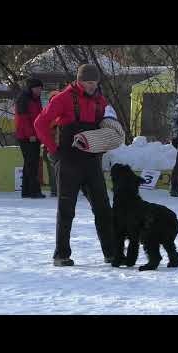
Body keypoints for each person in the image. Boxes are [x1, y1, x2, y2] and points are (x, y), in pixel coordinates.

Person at [34, 64, 123, 267]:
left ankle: (111, 253)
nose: (92, 86)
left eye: (95, 83)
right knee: (66, 210)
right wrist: (53, 151)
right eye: (89, 82)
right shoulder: (63, 98)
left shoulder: (100, 100)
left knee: (103, 208)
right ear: (79, 80)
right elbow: (40, 123)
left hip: (92, 161)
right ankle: (61, 255)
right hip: (68, 161)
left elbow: (105, 127)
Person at [14, 76, 46, 199]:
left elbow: (39, 116)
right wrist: (30, 134)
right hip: (26, 136)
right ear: (31, 88)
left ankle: (26, 191)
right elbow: (22, 120)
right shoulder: (24, 99)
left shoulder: (35, 99)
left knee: (29, 162)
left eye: (41, 88)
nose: (40, 90)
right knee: (32, 163)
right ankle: (34, 191)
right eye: (38, 88)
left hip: (34, 134)